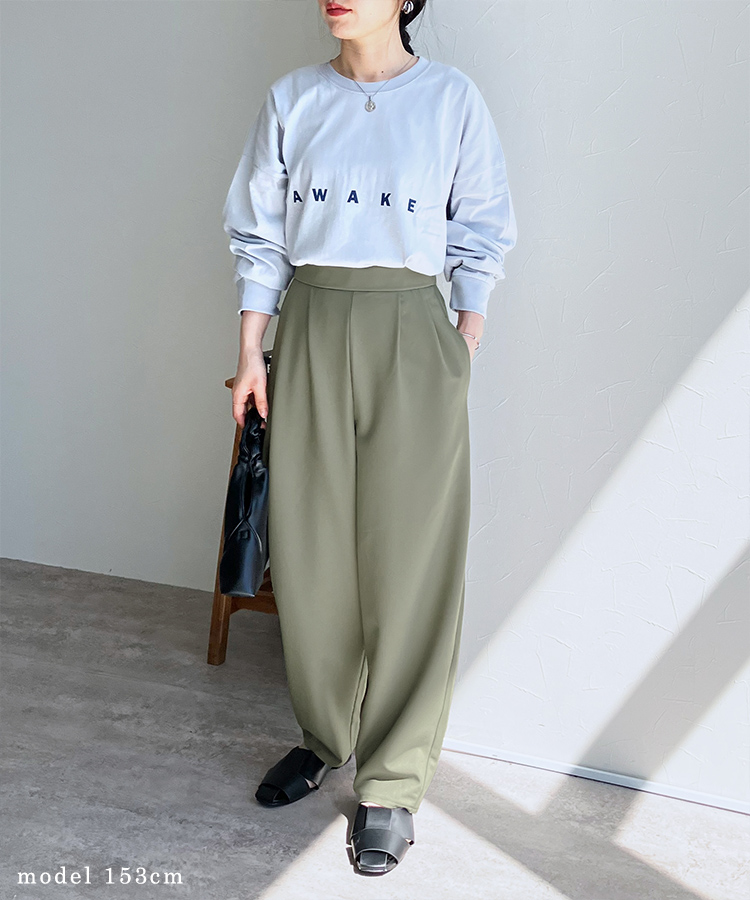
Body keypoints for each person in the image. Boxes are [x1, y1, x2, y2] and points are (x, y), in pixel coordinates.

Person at [222, 0, 517, 876]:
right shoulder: (293, 99)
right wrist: (251, 352)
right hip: (312, 322)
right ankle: (325, 736)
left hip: (413, 331)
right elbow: (260, 234)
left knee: (412, 561)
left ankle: (392, 783)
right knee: (311, 551)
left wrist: (464, 338)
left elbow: (483, 224)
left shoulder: (451, 98)